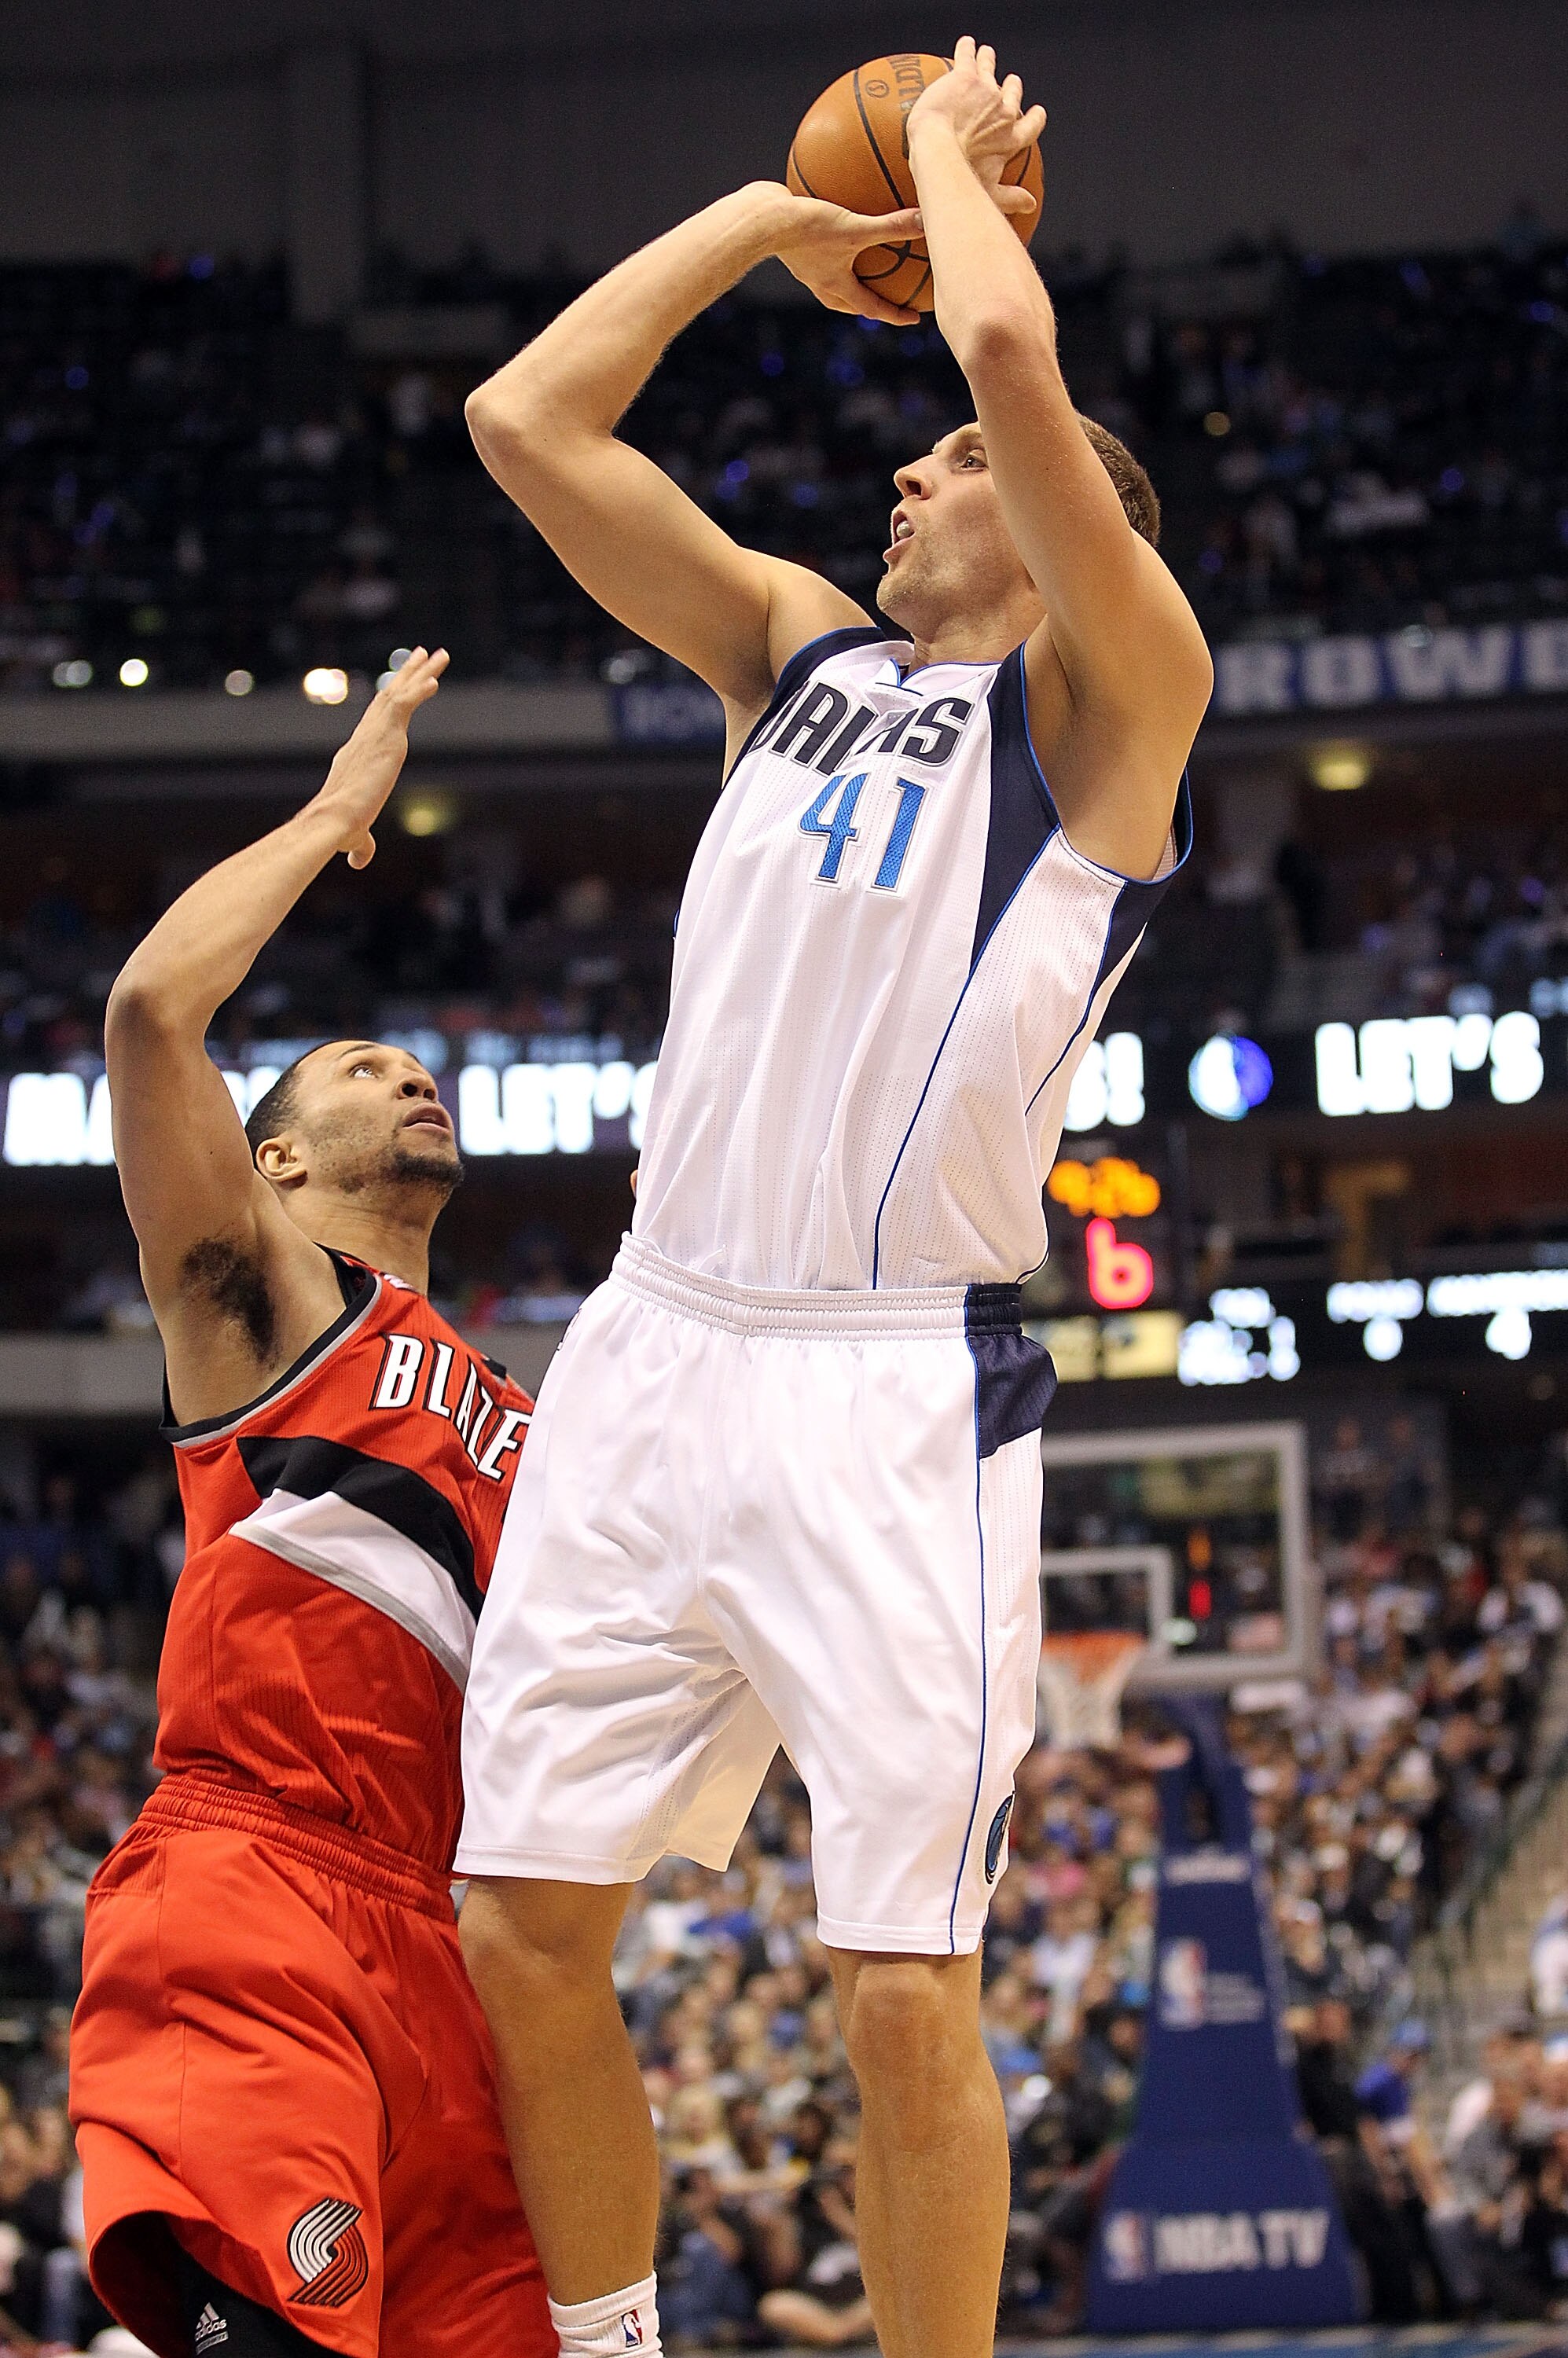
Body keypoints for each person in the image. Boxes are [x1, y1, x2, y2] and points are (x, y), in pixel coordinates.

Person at [456, 39, 1211, 2358]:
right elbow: (528, 424)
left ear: (1087, 519)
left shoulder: (1118, 705)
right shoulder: (791, 653)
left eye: (969, 465)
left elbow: (1002, 345)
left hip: (894, 1385)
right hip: (654, 1339)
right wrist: (776, 227)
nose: (914, 457)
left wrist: (960, 181)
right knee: (516, 1924)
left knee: (897, 1990)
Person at [68, 652, 553, 2358]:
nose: (409, 1079)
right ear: (270, 1161)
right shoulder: (261, 1303)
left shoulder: (518, 1413)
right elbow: (150, 1017)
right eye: (359, 1069)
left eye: (418, 1068)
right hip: (255, 1881)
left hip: (449, 1940)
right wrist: (338, 814)